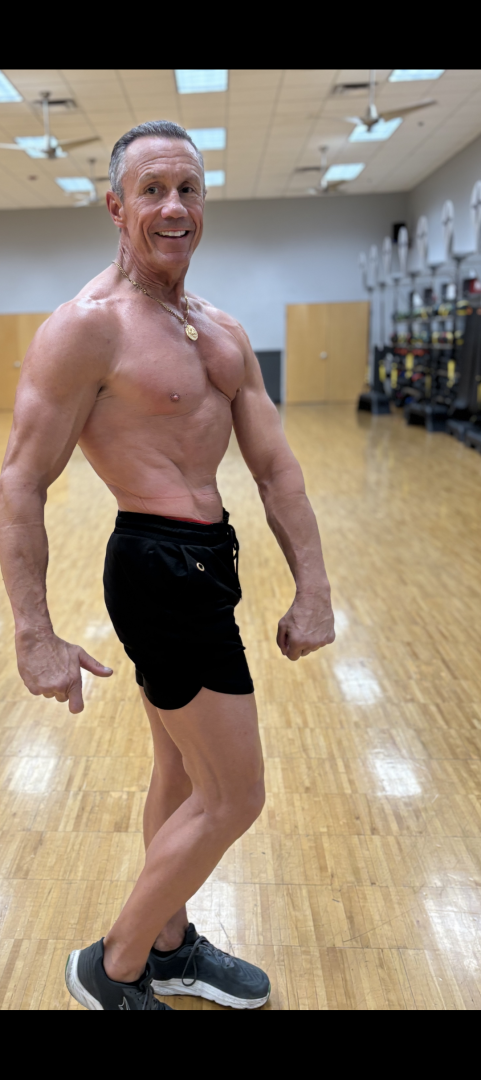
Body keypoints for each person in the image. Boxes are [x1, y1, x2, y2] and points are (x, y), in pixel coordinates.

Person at [0, 121, 335, 1011]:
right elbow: (20, 482)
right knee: (235, 798)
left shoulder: (218, 328)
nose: (173, 206)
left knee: (182, 778)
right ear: (117, 207)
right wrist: (33, 634)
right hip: (156, 571)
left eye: (187, 188)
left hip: (208, 561)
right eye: (151, 190)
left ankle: (171, 945)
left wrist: (313, 586)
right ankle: (112, 966)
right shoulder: (87, 329)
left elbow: (275, 469)